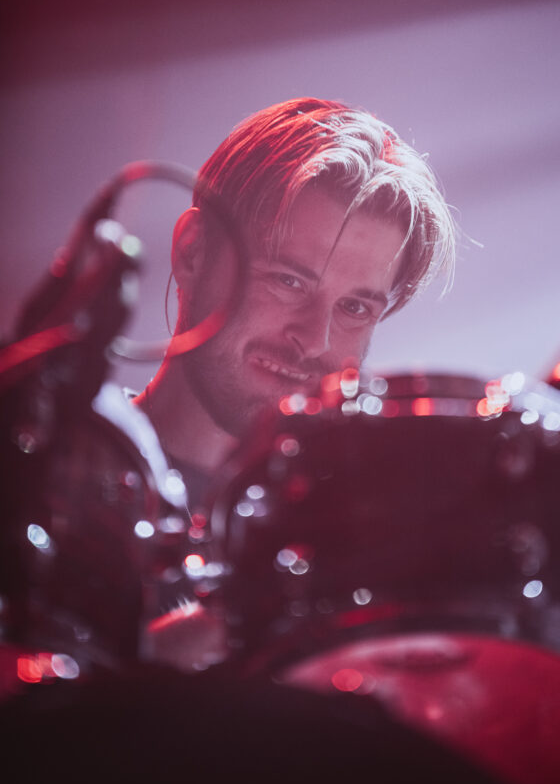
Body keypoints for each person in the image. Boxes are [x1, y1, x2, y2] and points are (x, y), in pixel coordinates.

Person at [133, 96, 458, 508]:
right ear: (192, 252)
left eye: (354, 308)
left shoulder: (350, 533)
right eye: (289, 281)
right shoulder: (58, 472)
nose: (315, 340)